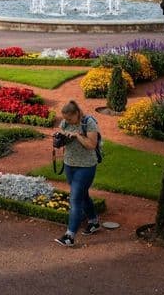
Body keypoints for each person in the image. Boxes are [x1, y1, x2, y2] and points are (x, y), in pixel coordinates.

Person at [54, 100, 101, 247]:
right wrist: (59, 139)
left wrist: (76, 135)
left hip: (86, 166)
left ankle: (70, 236)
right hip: (69, 165)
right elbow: (61, 140)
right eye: (65, 119)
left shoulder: (89, 122)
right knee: (83, 194)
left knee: (75, 199)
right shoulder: (65, 122)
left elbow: (92, 145)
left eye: (69, 118)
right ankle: (94, 222)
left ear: (76, 114)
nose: (66, 121)